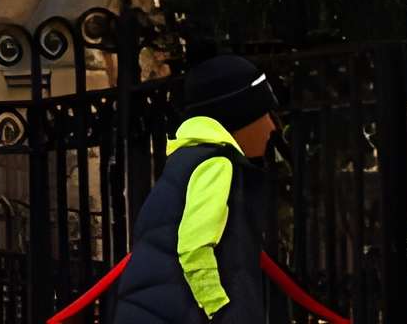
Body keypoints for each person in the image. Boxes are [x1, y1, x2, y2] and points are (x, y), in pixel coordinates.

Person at [111, 55, 280, 324]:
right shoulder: (216, 164)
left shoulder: (186, 159)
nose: (271, 127)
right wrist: (220, 308)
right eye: (263, 115)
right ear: (238, 118)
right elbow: (194, 246)